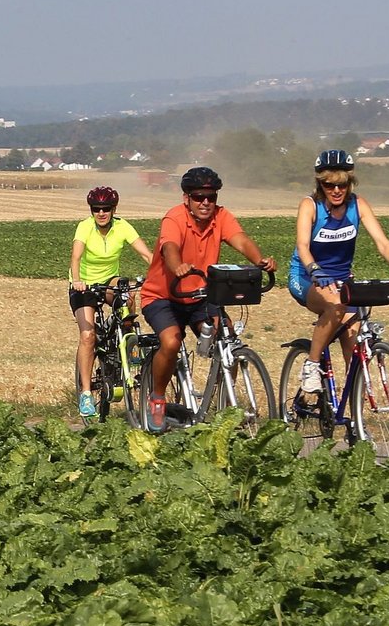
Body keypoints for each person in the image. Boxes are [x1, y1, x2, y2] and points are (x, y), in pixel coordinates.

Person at [140, 167, 276, 431]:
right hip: (164, 295)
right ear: (186, 198)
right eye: (199, 197)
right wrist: (177, 265)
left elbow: (241, 240)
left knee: (228, 340)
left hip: (201, 294)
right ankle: (157, 398)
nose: (205, 203)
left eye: (210, 197)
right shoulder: (175, 218)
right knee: (170, 342)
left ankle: (225, 406)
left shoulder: (221, 217)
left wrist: (259, 260)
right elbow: (170, 247)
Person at [287, 150, 389, 401]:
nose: (336, 190)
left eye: (342, 184)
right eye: (329, 184)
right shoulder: (310, 206)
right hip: (306, 277)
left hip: (341, 280)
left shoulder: (358, 204)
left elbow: (382, 242)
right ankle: (312, 365)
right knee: (335, 306)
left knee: (353, 341)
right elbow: (302, 245)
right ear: (320, 184)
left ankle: (352, 409)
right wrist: (315, 270)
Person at [69, 186, 152, 418]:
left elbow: (147, 255)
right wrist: (77, 280)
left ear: (114, 209)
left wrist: (160, 273)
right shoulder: (85, 227)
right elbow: (75, 257)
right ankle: (86, 393)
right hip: (84, 285)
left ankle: (127, 340)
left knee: (127, 293)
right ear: (91, 210)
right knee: (88, 335)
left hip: (108, 280)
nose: (101, 213)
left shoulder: (122, 226)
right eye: (96, 209)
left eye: (106, 209)